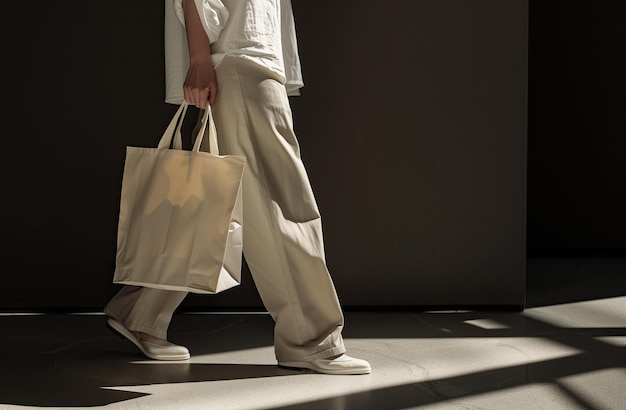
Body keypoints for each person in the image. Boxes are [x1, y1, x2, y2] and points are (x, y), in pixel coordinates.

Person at [104, 0, 371, 375]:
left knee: (213, 204)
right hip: (241, 56)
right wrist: (199, 58)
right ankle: (310, 339)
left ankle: (140, 313)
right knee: (281, 202)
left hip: (245, 54)